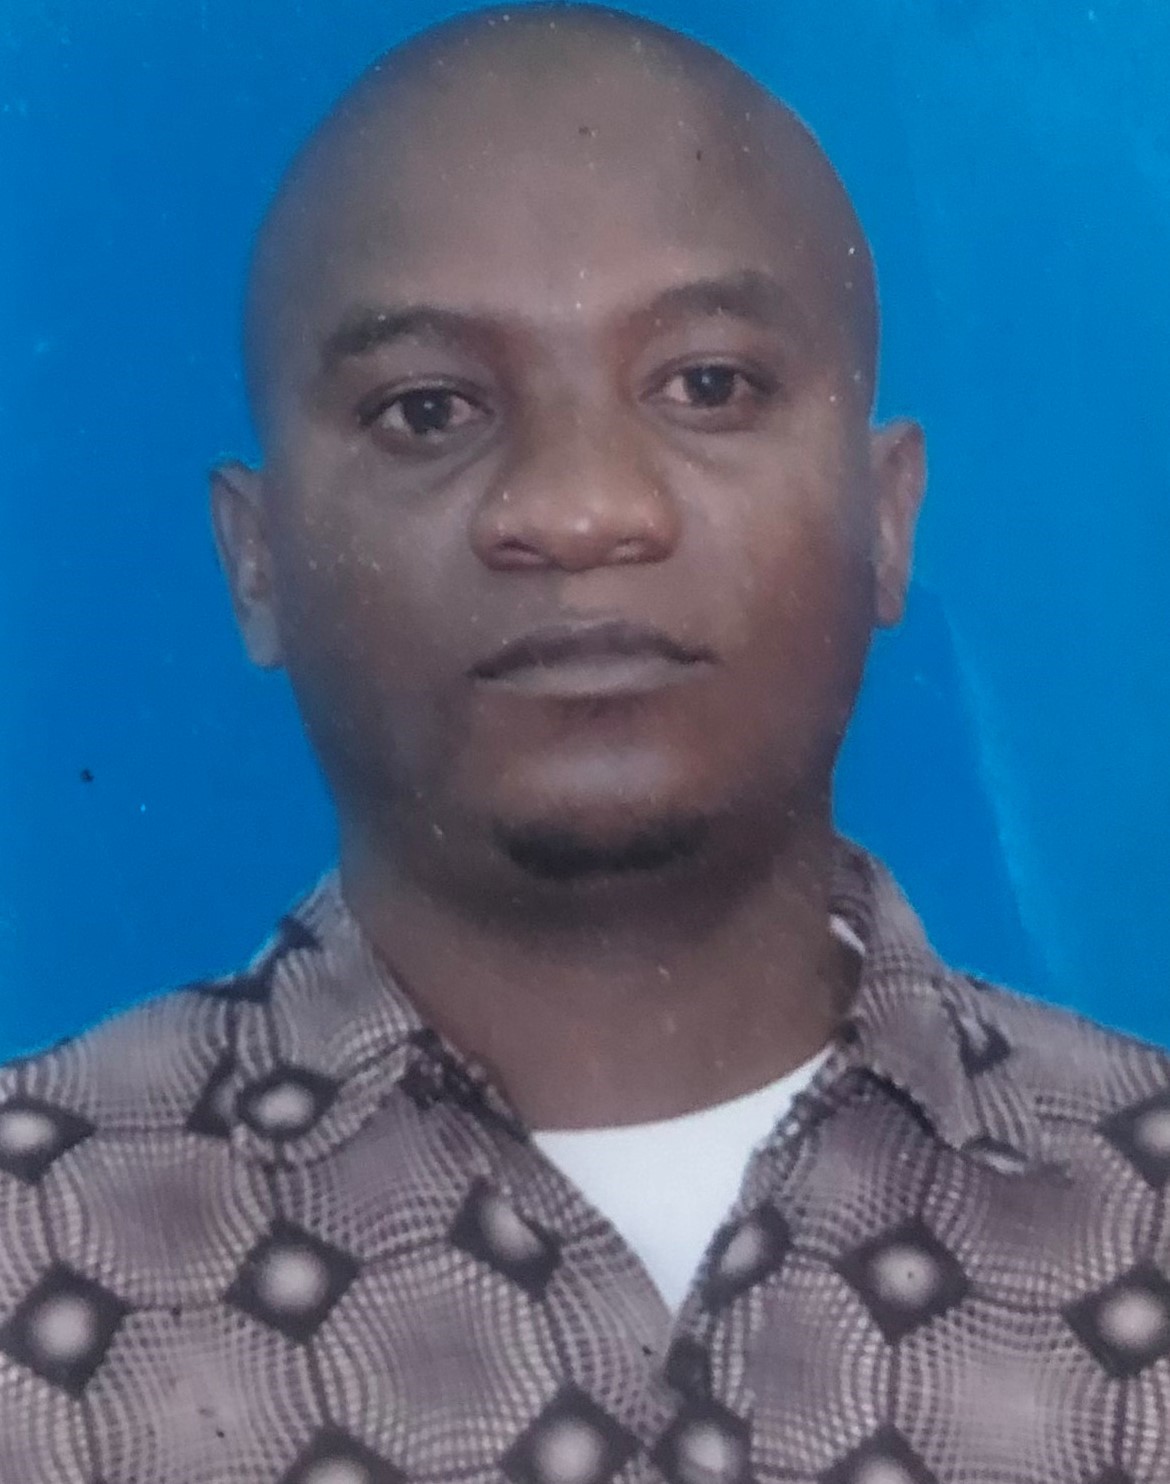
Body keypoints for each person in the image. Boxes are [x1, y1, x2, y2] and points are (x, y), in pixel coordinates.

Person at [1, 6, 1167, 1480]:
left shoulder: (1143, 1204)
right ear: (255, 561)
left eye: (706, 385)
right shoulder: (28, 1249)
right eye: (427, 409)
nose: (576, 508)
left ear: (886, 517)